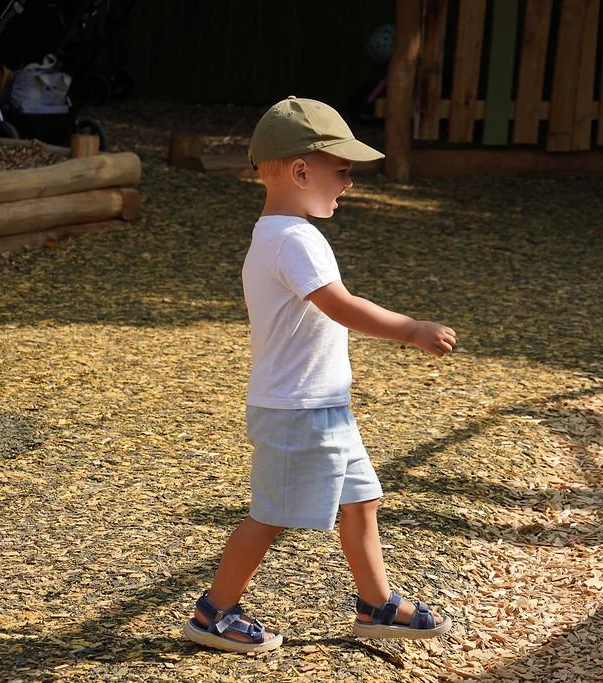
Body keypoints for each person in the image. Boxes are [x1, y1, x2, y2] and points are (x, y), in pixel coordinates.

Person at [182, 97, 457, 653]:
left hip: (323, 405)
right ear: (302, 171)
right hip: (297, 410)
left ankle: (376, 604)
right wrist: (411, 329)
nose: (350, 183)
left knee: (362, 501)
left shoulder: (283, 234)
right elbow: (339, 305)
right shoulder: (293, 239)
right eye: (343, 170)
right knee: (271, 516)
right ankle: (214, 612)